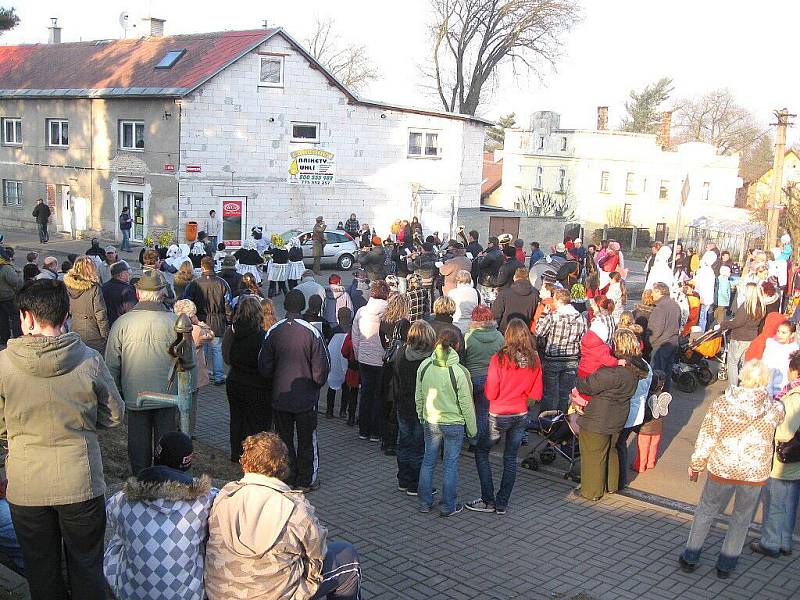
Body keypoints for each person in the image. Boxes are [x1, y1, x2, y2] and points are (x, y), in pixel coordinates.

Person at [1, 279, 124, 600]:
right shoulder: (89, 360)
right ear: (66, 315)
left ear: (26, 317)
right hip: (80, 482)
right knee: (86, 568)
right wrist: (83, 424)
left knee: (42, 572)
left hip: (27, 486)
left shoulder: (3, 365)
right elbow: (113, 414)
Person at [205, 432, 361, 600]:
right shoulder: (296, 509)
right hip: (278, 594)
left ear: (245, 463)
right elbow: (319, 553)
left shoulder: (224, 496)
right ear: (283, 467)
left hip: (220, 594)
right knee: (347, 557)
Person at [679, 360, 784, 578]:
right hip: (754, 471)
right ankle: (726, 564)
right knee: (742, 518)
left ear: (743, 376)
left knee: (706, 510)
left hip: (723, 467)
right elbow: (781, 419)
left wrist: (696, 464)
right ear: (765, 381)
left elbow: (707, 437)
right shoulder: (774, 408)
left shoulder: (722, 404)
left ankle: (691, 556)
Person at [104, 432, 217, 600]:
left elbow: (110, 517)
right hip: (189, 595)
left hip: (132, 594)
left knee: (120, 535)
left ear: (156, 456)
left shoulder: (122, 500)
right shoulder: (206, 500)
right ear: (187, 462)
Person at [106, 270, 186, 475]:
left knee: (138, 443)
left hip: (135, 394)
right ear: (161, 293)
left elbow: (111, 364)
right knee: (166, 442)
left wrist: (117, 395)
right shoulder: (175, 322)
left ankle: (141, 482)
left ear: (137, 292)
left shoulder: (122, 323)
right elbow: (187, 362)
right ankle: (165, 482)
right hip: (168, 394)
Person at [466, 319, 542, 515]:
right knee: (510, 458)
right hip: (520, 413)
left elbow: (490, 393)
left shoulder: (499, 358)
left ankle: (487, 499)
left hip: (499, 413)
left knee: (482, 452)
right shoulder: (534, 358)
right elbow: (537, 394)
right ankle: (502, 502)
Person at [258, 290, 330, 492]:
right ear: (303, 305)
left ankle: (287, 477)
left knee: (284, 439)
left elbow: (264, 366)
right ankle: (306, 480)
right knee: (307, 439)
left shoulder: (274, 331)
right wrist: (316, 384)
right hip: (306, 398)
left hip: (281, 395)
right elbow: (321, 368)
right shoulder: (312, 332)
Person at [574, 329, 649, 501]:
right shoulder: (635, 369)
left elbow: (586, 386)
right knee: (612, 450)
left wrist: (579, 377)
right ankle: (612, 486)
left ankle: (591, 491)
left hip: (598, 418)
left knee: (593, 454)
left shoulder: (613, 372)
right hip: (619, 416)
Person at [415, 329, 477, 516]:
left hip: (431, 420)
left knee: (428, 461)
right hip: (454, 423)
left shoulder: (425, 365)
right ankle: (448, 506)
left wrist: (421, 414)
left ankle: (425, 503)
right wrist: (472, 430)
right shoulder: (459, 371)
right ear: (457, 346)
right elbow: (467, 404)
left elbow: (419, 395)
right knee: (450, 465)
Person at [750, 351, 800, 559]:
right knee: (790, 504)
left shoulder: (794, 397)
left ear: (794, 371)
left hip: (784, 459)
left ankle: (770, 542)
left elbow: (786, 430)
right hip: (796, 462)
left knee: (776, 502)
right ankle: (785, 541)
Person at [390, 320, 436, 496]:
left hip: (403, 404)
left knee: (404, 443)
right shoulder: (430, 360)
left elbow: (396, 379)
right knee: (418, 447)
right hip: (422, 407)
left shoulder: (401, 353)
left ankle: (403, 479)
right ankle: (415, 483)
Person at [222, 295, 270, 462]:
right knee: (256, 422)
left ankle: (236, 453)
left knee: (236, 419)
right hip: (256, 384)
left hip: (235, 381)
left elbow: (226, 358)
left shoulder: (232, 332)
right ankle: (255, 455)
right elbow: (265, 363)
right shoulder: (262, 336)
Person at [183, 256, 231, 386]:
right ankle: (219, 376)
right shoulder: (222, 283)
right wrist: (228, 320)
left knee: (201, 349)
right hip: (218, 320)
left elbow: (186, 302)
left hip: (200, 320)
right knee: (217, 349)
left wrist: (191, 318)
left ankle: (201, 376)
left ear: (202, 266)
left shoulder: (194, 283)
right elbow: (228, 303)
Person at [535, 289, 586, 412]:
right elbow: (584, 339)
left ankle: (545, 422)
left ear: (558, 300)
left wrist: (543, 315)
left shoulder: (553, 316)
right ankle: (562, 421)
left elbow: (539, 331)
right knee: (565, 394)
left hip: (553, 358)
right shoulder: (580, 318)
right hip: (572, 359)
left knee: (549, 393)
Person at [352, 281, 390, 442]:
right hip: (382, 360)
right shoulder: (389, 311)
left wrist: (358, 354)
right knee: (379, 395)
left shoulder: (362, 311)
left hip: (364, 358)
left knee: (366, 394)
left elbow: (355, 335)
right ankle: (376, 431)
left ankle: (364, 430)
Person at [173, 298, 212, 437]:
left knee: (177, 401)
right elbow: (210, 336)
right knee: (192, 405)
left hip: (178, 369)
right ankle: (188, 431)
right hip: (195, 371)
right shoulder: (196, 330)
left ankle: (176, 427)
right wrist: (200, 323)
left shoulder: (173, 326)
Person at [719, 282, 765, 386]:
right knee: (745, 364)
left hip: (739, 337)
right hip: (751, 337)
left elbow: (737, 323)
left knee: (733, 363)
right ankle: (744, 386)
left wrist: (724, 324)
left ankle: (733, 388)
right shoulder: (760, 306)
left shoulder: (746, 306)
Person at [64, 256, 111, 354]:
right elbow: (100, 315)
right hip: (93, 333)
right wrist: (106, 335)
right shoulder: (94, 289)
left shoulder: (68, 286)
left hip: (75, 328)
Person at [647, 282, 682, 392]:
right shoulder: (675, 305)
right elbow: (679, 323)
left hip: (661, 345)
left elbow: (655, 330)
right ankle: (665, 397)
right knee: (667, 373)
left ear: (659, 292)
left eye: (653, 292)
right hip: (673, 342)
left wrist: (650, 343)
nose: (652, 295)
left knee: (657, 376)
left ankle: (655, 400)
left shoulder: (660, 308)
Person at [326, 307, 355, 419]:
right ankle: (343, 411)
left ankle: (329, 410)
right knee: (346, 388)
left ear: (338, 317)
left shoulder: (334, 330)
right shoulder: (352, 331)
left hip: (334, 362)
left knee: (332, 387)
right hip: (347, 361)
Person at [492, 267, 539, 333]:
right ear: (528, 278)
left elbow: (496, 315)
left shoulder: (504, 294)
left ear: (514, 277)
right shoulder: (535, 294)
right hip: (524, 332)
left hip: (505, 332)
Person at [762, 321, 798, 396]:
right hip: (767, 386)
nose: (779, 335)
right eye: (778, 331)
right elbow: (764, 364)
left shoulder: (794, 350)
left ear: (792, 334)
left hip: (784, 389)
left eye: (783, 333)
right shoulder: (771, 344)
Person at [101, 261, 137, 325]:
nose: (129, 274)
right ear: (121, 275)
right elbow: (131, 312)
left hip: (106, 324)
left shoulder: (103, 287)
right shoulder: (128, 290)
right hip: (121, 325)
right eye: (127, 272)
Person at [0, 248, 23, 345]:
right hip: (8, 297)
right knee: (15, 318)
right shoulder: (6, 268)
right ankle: (17, 338)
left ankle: (4, 338)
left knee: (2, 319)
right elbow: (15, 282)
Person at [475, 237, 504, 307]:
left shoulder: (490, 255)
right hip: (495, 278)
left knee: (484, 300)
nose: (487, 245)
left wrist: (480, 257)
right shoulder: (500, 253)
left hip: (486, 280)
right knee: (493, 298)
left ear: (492, 244)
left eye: (488, 243)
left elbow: (481, 265)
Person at [694, 250, 717, 331]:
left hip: (702, 296)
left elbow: (704, 285)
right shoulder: (706, 270)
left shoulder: (706, 270)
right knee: (701, 317)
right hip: (702, 296)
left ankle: (699, 334)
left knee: (702, 317)